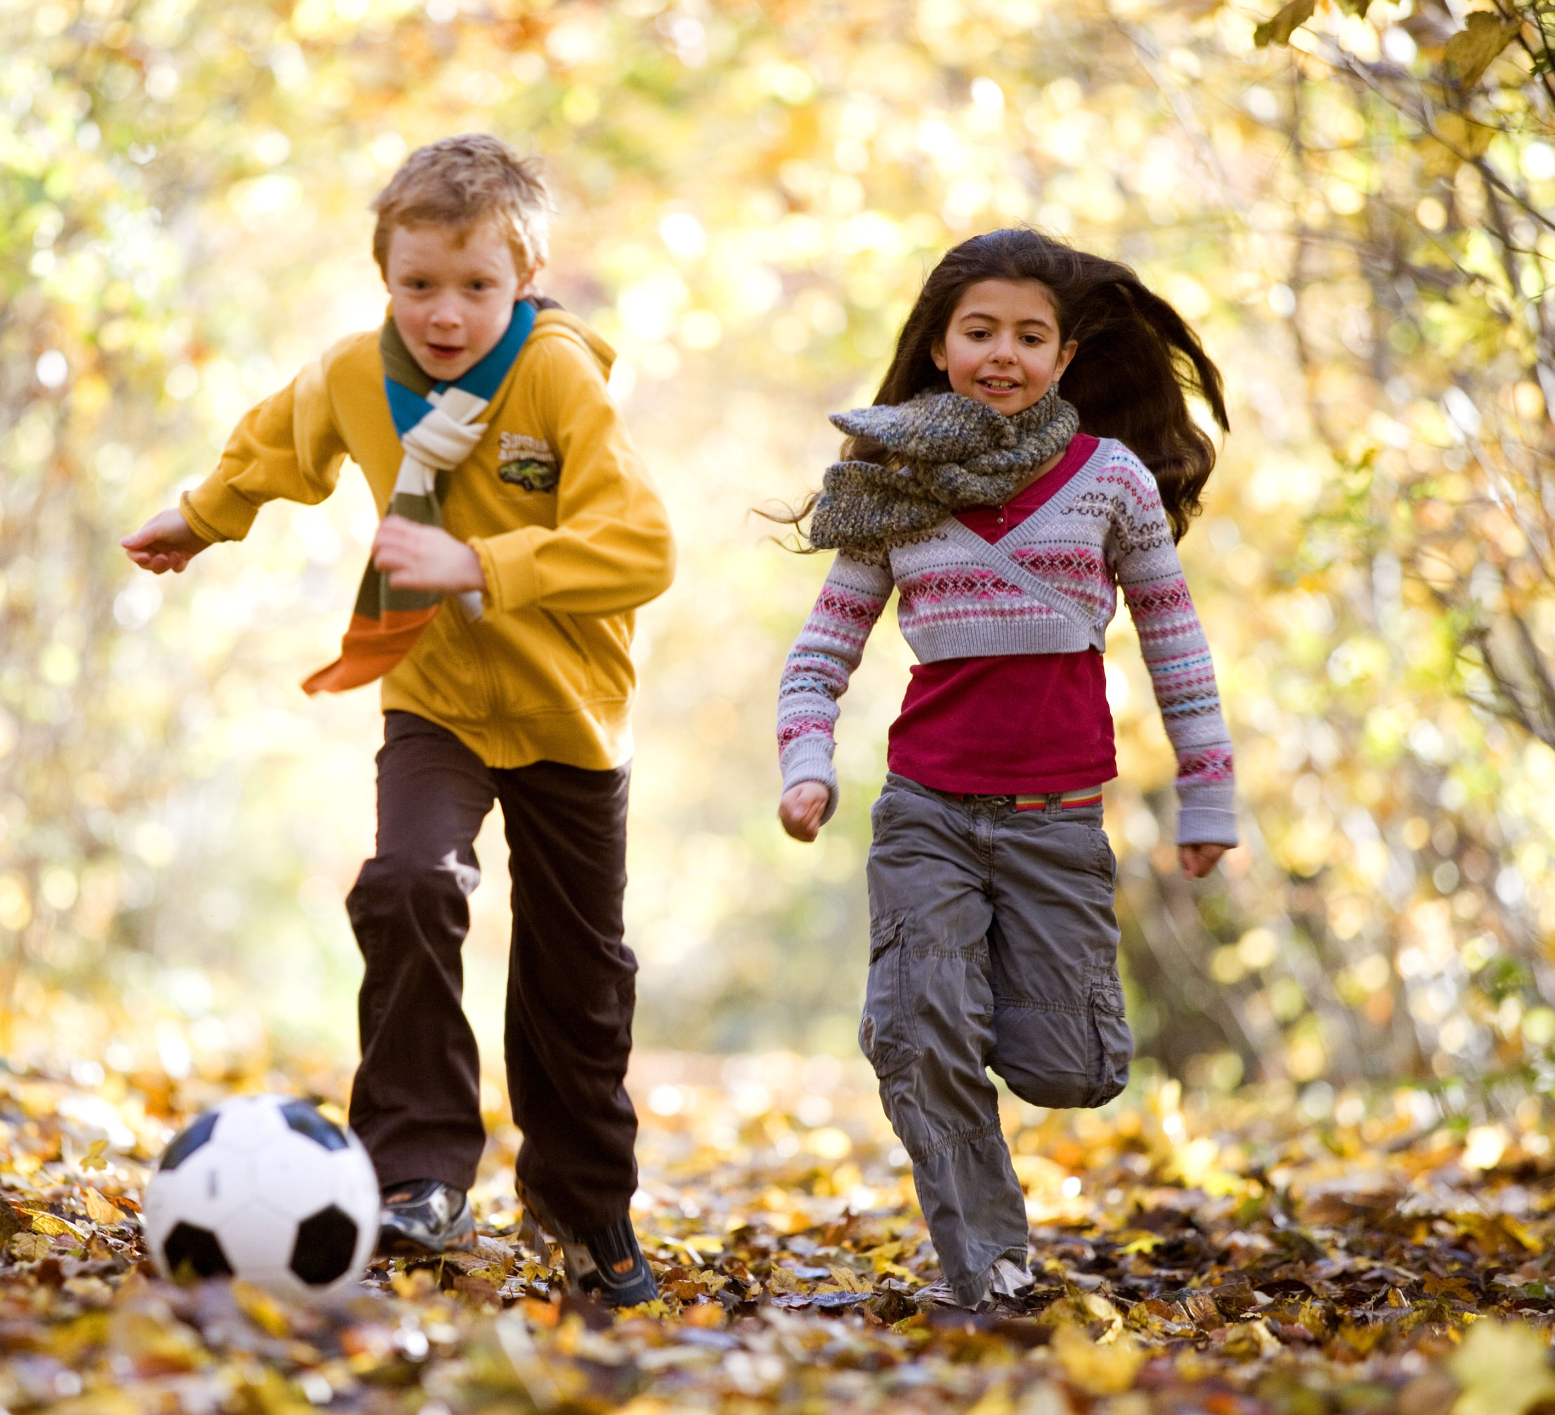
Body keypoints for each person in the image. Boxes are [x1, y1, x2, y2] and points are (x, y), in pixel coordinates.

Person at [121, 135, 674, 1306]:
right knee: (409, 882)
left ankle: (584, 1205)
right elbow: (278, 443)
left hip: (571, 710)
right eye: (417, 283)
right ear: (385, 277)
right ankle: (417, 1172)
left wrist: (478, 560)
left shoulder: (560, 380)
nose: (443, 312)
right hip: (434, 694)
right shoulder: (356, 373)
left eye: (475, 286)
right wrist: (198, 517)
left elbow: (643, 546)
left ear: (523, 278)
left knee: (577, 976)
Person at [771, 228, 1236, 1312]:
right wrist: (806, 760)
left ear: (1065, 358)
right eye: (978, 330)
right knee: (916, 1032)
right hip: (925, 808)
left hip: (1057, 819)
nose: (1002, 353)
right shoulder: (893, 483)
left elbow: (1175, 641)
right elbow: (820, 647)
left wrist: (1207, 792)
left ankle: (992, 1023)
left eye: (1029, 336)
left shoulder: (1109, 481)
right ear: (938, 345)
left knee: (1072, 1068)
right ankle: (990, 1266)